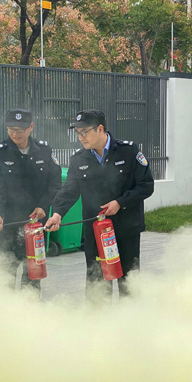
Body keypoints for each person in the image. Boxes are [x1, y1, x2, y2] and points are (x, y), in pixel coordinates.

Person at [45, 109, 154, 298]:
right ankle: (97, 317)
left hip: (127, 229)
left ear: (100, 129)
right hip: (96, 232)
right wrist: (57, 213)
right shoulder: (79, 159)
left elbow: (146, 186)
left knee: (129, 282)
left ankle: (132, 316)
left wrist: (120, 203)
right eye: (78, 133)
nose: (81, 137)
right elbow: (69, 190)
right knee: (97, 283)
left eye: (85, 132)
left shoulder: (128, 152)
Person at [0, 109, 62, 292]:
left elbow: (55, 184)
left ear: (31, 127)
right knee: (5, 275)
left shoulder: (44, 150)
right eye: (11, 129)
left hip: (36, 225)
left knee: (33, 276)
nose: (15, 134)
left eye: (20, 130)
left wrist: (43, 206)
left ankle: (30, 308)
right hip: (9, 223)